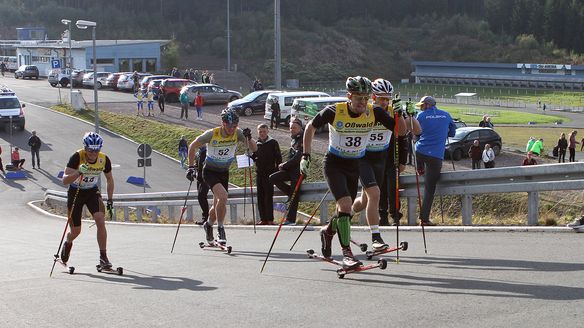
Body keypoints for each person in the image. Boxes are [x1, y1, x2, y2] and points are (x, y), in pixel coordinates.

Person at [301, 76, 397, 268]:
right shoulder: (335, 111)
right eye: (358, 97)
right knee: (345, 205)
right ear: (349, 96)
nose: (362, 102)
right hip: (335, 164)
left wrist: (403, 114)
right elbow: (310, 127)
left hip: (355, 164)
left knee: (343, 210)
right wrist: (305, 155)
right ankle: (347, 253)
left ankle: (328, 232)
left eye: (366, 97)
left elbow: (399, 131)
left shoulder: (374, 111)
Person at [352, 79, 418, 250]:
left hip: (380, 159)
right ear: (373, 97)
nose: (385, 102)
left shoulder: (390, 110)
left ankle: (342, 217)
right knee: (375, 195)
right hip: (363, 157)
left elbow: (402, 133)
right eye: (381, 98)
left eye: (387, 98)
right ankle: (376, 237)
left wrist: (399, 114)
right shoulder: (365, 109)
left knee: (365, 201)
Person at [186, 109, 257, 245]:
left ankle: (208, 224)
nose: (232, 129)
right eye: (229, 125)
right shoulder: (212, 133)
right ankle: (220, 228)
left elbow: (254, 149)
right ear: (223, 123)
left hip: (224, 172)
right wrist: (190, 167)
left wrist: (249, 137)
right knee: (223, 197)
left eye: (234, 126)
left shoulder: (238, 133)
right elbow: (192, 146)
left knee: (219, 203)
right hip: (210, 171)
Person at [60, 132, 115, 269]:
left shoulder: (104, 159)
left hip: (91, 191)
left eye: (97, 150)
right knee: (76, 231)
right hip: (75, 192)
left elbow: (110, 179)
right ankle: (68, 241)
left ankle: (103, 257)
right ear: (85, 148)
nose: (93, 153)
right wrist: (78, 172)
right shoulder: (77, 157)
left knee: (100, 220)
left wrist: (110, 200)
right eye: (90, 150)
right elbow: (64, 180)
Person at [414, 95, 456, 226]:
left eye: (422, 105)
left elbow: (416, 133)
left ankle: (419, 167)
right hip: (436, 156)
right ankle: (424, 219)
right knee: (429, 189)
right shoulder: (446, 114)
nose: (421, 107)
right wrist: (443, 132)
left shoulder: (421, 116)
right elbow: (453, 133)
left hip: (420, 152)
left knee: (417, 147)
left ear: (426, 105)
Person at [269, 118, 303, 225]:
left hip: (298, 171)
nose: (292, 130)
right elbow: (291, 156)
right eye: (291, 128)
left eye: (294, 128)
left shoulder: (302, 138)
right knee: (273, 178)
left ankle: (290, 219)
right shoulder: (294, 139)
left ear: (300, 128)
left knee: (294, 196)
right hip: (291, 170)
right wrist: (285, 166)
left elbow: (298, 158)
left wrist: (284, 165)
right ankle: (291, 193)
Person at [252, 124, 282, 225]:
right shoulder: (256, 144)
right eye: (260, 131)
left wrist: (277, 172)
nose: (262, 133)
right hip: (259, 173)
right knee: (260, 196)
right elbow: (253, 157)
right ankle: (263, 219)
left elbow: (278, 158)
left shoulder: (273, 142)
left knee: (268, 196)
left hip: (270, 174)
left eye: (264, 131)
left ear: (267, 132)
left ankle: (270, 219)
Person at [195, 146, 210, 225]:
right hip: (199, 178)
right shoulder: (199, 152)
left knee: (201, 196)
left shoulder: (207, 152)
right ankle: (206, 218)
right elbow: (196, 164)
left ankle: (206, 218)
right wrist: (194, 171)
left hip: (205, 178)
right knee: (201, 197)